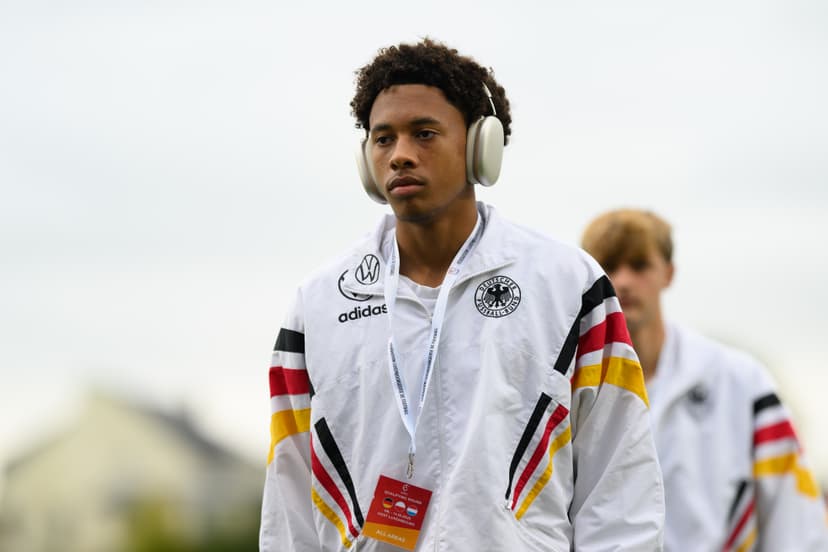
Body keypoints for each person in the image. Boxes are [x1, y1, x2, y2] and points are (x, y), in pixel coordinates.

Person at [260, 39, 665, 551]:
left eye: (424, 133)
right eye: (383, 139)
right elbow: (290, 505)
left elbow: (620, 487)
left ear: (480, 147)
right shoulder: (318, 305)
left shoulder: (568, 286)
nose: (400, 155)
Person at [581, 209, 828, 551]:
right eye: (609, 266)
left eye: (639, 266)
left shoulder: (739, 381)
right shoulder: (570, 384)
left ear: (668, 273)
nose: (623, 281)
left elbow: (793, 513)